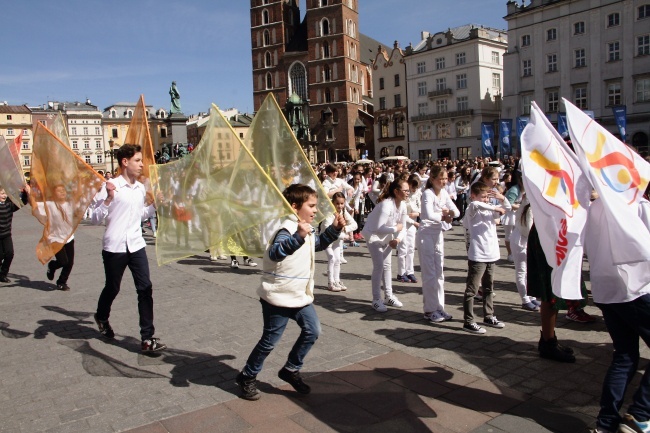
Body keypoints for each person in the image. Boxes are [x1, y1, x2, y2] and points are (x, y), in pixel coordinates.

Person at [235, 184, 344, 401]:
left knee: (313, 331)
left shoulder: (306, 228)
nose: (315, 210)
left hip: (300, 296)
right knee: (270, 341)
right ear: (294, 207)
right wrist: (298, 237)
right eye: (311, 206)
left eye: (315, 206)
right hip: (278, 296)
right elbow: (276, 253)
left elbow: (317, 243)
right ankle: (247, 375)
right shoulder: (286, 229)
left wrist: (334, 229)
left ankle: (291, 369)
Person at [91, 144, 166, 353]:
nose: (142, 164)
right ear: (125, 162)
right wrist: (107, 199)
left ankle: (147, 337)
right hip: (114, 247)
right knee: (112, 288)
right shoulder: (110, 185)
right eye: (137, 160)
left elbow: (140, 215)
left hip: (136, 245)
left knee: (145, 288)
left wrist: (154, 206)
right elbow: (94, 219)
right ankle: (102, 316)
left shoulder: (140, 188)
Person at [586, 192, 650, 433]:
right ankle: (640, 414)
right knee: (624, 355)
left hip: (607, 289)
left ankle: (606, 424)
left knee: (625, 355)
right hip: (636, 288)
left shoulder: (595, 207)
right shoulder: (639, 205)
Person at [462, 182, 506, 334]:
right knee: (472, 290)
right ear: (473, 195)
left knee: (489, 288)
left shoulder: (488, 209)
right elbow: (476, 204)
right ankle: (468, 321)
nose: (486, 200)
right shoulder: (472, 208)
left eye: (488, 197)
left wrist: (501, 199)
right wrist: (496, 207)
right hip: (478, 255)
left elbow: (504, 210)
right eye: (483, 196)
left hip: (491, 253)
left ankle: (489, 315)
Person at [419, 166, 459, 322]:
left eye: (445, 178)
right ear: (432, 179)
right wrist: (444, 215)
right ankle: (429, 310)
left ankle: (439, 307)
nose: (444, 181)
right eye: (440, 178)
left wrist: (449, 213)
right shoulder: (427, 194)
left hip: (437, 234)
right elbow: (428, 214)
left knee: (439, 273)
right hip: (426, 235)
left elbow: (456, 212)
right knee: (429, 273)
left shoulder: (443, 193)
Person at [361, 178, 408, 312]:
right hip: (373, 235)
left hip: (387, 237)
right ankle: (376, 299)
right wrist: (395, 229)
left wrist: (397, 240)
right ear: (396, 191)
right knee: (379, 266)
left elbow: (403, 226)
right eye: (405, 190)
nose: (408, 193)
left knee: (387, 266)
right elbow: (378, 228)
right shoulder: (386, 205)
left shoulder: (403, 205)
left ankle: (388, 296)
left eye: (408, 190)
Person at [29, 184, 77, 291]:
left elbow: (83, 201)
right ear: (54, 193)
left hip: (68, 237)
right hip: (55, 238)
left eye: (63, 190)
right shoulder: (50, 205)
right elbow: (35, 206)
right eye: (59, 191)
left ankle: (62, 282)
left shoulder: (70, 203)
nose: (62, 193)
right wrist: (29, 193)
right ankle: (52, 266)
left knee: (70, 263)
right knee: (63, 261)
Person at [509, 198, 541, 311]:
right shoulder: (529, 208)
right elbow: (528, 230)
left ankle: (531, 296)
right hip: (521, 241)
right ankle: (525, 300)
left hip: (527, 241)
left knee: (528, 271)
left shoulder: (532, 207)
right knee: (522, 271)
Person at [323, 192, 357, 291]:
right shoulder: (329, 213)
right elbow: (327, 229)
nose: (340, 206)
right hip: (327, 240)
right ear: (333, 203)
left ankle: (337, 280)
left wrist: (345, 229)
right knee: (332, 258)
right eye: (337, 203)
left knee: (338, 260)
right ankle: (331, 282)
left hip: (337, 241)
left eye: (342, 203)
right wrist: (343, 235)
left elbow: (355, 225)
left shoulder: (343, 212)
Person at [397, 174, 421, 283]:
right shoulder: (404, 195)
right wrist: (413, 221)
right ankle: (401, 272)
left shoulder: (418, 193)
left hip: (413, 224)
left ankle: (410, 271)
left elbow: (421, 207)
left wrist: (418, 213)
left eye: (416, 187)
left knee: (411, 248)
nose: (414, 190)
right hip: (404, 223)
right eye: (413, 187)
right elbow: (403, 214)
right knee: (403, 248)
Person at [0, 187, 26, 283]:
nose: (4, 195)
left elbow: (22, 203)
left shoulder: (9, 205)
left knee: (9, 254)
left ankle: (3, 274)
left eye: (5, 193)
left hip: (6, 234)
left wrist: (25, 193)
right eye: (2, 193)